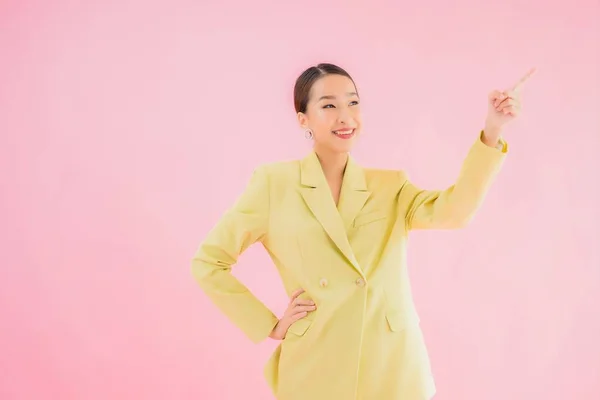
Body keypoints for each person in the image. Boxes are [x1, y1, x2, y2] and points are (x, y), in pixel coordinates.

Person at [191, 63, 536, 400]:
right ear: (303, 119)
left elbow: (454, 212)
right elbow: (209, 263)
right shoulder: (274, 184)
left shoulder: (390, 185)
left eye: (353, 103)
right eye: (329, 105)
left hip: (391, 365)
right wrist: (268, 325)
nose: (345, 116)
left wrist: (492, 132)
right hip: (317, 362)